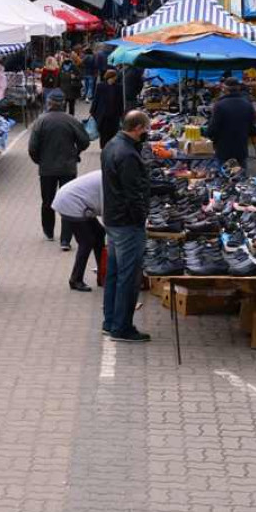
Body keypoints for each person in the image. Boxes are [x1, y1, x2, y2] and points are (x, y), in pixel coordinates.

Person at [101, 110, 152, 343]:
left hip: (112, 219)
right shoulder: (128, 154)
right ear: (138, 128)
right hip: (127, 223)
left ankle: (110, 321)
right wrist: (141, 218)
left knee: (114, 272)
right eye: (146, 129)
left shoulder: (112, 144)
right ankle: (122, 327)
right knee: (128, 277)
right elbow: (133, 193)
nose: (147, 134)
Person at [29, 89, 91, 250]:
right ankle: (66, 240)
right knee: (68, 201)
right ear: (63, 103)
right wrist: (75, 152)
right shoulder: (71, 120)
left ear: (49, 103)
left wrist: (40, 161)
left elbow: (32, 147)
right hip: (68, 167)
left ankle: (49, 232)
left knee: (47, 201)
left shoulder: (40, 121)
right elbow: (85, 141)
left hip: (47, 169)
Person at [52, 170, 105, 293]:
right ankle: (75, 279)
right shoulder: (109, 180)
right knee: (87, 241)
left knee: (99, 233)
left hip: (75, 200)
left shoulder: (109, 173)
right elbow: (107, 209)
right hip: (71, 202)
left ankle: (103, 274)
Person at [207, 77, 256, 170]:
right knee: (241, 174)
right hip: (241, 145)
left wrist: (209, 137)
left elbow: (213, 128)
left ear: (224, 89)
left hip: (223, 146)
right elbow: (252, 125)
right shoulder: (247, 104)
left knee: (222, 175)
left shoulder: (220, 105)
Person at [90, 69, 124, 149]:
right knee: (104, 132)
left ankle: (111, 146)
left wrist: (121, 112)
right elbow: (96, 99)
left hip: (114, 113)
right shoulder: (100, 86)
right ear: (111, 77)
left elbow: (120, 101)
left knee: (113, 131)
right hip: (103, 113)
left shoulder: (119, 87)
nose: (115, 78)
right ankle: (104, 147)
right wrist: (92, 110)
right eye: (115, 77)